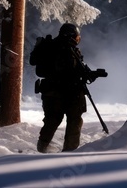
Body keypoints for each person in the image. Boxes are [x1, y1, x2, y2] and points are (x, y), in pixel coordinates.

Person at [36, 23, 93, 153]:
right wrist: (85, 75)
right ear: (72, 36)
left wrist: (88, 73)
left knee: (52, 119)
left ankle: (42, 146)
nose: (78, 39)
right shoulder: (67, 49)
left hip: (51, 92)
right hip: (69, 92)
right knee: (74, 120)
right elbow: (68, 71)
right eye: (77, 36)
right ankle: (70, 151)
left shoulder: (52, 47)